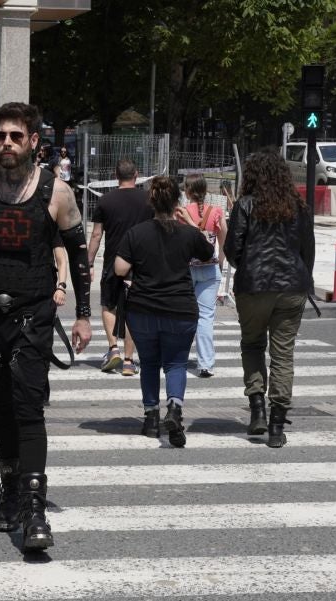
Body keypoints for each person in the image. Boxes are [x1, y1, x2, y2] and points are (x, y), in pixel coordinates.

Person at [0, 102, 92, 552]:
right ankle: (8, 488)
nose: (5, 143)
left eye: (15, 136)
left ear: (33, 142)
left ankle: (33, 507)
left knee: (28, 407)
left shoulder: (57, 193)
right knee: (2, 405)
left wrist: (84, 314)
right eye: (0, 136)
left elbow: (80, 254)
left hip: (33, 316)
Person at [223, 148, 314, 448]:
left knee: (251, 345)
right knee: (283, 354)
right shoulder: (299, 207)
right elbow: (307, 251)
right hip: (292, 286)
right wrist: (302, 277)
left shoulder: (245, 205)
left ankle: (257, 408)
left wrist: (246, 265)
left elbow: (232, 249)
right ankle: (277, 423)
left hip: (253, 286)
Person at [114, 176, 213, 448]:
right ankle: (175, 409)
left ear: (152, 201)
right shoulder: (188, 233)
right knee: (176, 363)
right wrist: (192, 224)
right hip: (180, 308)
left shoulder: (137, 233)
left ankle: (150, 419)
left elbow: (120, 269)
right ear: (177, 202)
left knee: (148, 363)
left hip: (143, 308)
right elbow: (208, 252)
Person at [87, 158, 154, 376]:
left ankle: (113, 347)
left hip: (113, 260)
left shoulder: (106, 200)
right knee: (134, 310)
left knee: (108, 304)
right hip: (141, 262)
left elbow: (96, 234)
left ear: (116, 176)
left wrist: (88, 262)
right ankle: (128, 361)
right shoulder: (148, 200)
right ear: (136, 175)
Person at [177, 173, 228, 378]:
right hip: (209, 268)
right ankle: (205, 363)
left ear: (187, 191)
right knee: (206, 316)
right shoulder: (215, 212)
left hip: (186, 269)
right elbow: (224, 238)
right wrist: (221, 261)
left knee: (183, 315)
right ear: (205, 191)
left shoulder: (180, 212)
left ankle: (178, 358)